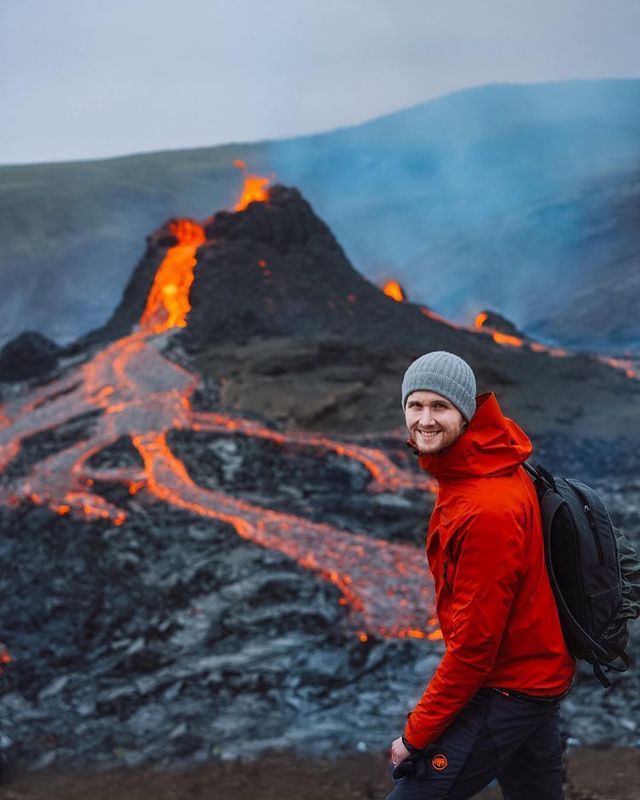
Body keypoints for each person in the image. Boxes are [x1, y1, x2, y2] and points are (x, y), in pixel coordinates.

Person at [387, 351, 575, 800]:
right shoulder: (486, 466)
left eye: (440, 407)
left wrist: (415, 736)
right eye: (416, 405)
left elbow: (475, 647)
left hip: (508, 688)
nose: (425, 420)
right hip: (535, 674)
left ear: (466, 412)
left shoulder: (485, 506)